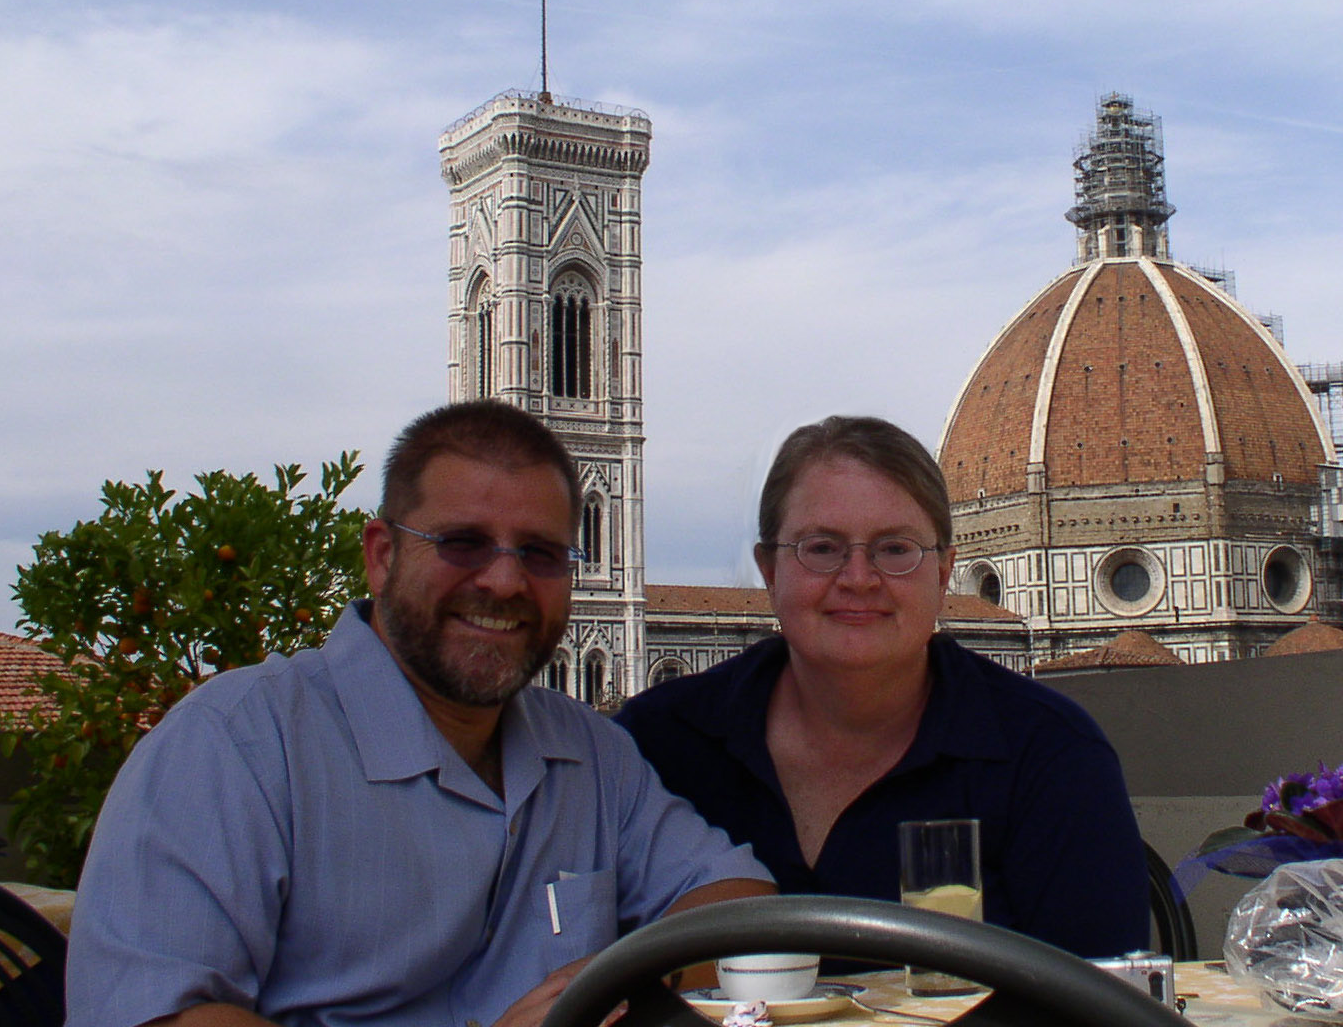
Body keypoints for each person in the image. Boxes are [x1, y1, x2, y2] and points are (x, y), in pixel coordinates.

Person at [66, 401, 774, 1027]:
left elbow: (738, 904)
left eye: (540, 551)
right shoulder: (235, 745)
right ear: (381, 556)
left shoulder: (590, 753)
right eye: (462, 542)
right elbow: (154, 1011)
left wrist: (614, 988)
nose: (503, 580)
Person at [616, 414, 1148, 960]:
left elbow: (1104, 996)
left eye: (895, 549)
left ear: (944, 574)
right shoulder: (652, 747)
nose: (859, 578)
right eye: (821, 548)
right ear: (769, 571)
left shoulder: (1052, 755)